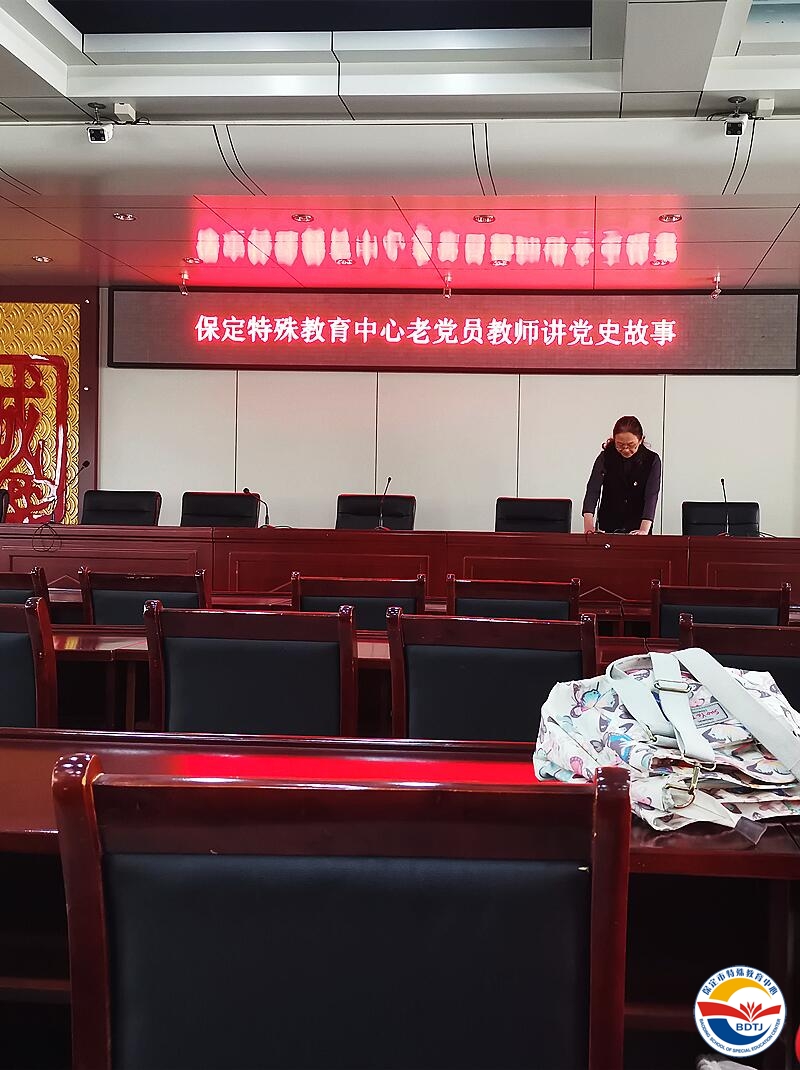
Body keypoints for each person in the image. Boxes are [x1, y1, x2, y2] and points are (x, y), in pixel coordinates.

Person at [582, 416, 661, 535]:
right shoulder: (605, 457)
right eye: (619, 445)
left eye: (631, 445)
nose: (625, 449)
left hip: (638, 526)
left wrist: (644, 530)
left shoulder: (651, 460)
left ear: (640, 440)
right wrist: (588, 526)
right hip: (608, 525)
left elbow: (651, 496)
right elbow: (593, 490)